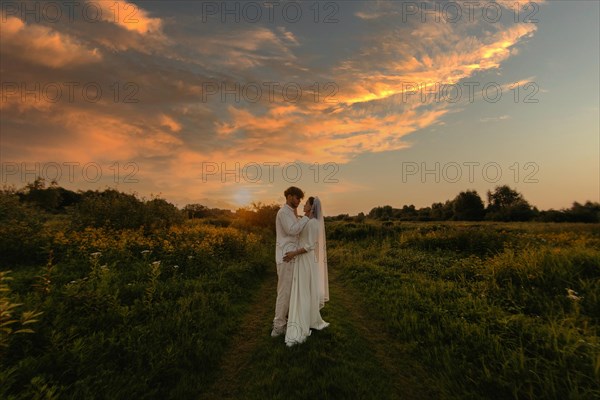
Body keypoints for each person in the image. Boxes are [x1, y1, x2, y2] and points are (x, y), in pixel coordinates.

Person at [283, 196, 329, 347]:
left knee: (304, 290)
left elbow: (309, 246)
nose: (303, 204)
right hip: (302, 259)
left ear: (312, 207)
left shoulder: (314, 223)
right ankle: (305, 317)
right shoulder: (308, 221)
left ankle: (302, 321)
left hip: (305, 259)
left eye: (306, 203)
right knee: (302, 289)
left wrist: (292, 254)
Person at [271, 186, 309, 337]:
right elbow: (291, 230)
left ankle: (284, 322)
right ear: (289, 197)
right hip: (286, 256)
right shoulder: (283, 212)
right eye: (297, 198)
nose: (299, 201)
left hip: (291, 256)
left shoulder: (291, 213)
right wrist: (306, 217)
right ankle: (278, 327)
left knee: (289, 292)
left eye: (300, 199)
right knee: (284, 292)